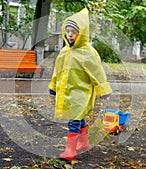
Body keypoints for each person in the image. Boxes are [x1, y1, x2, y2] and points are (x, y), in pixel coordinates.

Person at [48, 8, 112, 161]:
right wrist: (53, 86)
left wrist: (104, 91)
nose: (70, 34)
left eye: (73, 31)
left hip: (81, 93)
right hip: (67, 91)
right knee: (78, 117)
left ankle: (70, 150)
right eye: (68, 31)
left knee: (74, 119)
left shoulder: (87, 53)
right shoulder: (64, 51)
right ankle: (83, 142)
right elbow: (58, 71)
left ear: (81, 33)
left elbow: (97, 73)